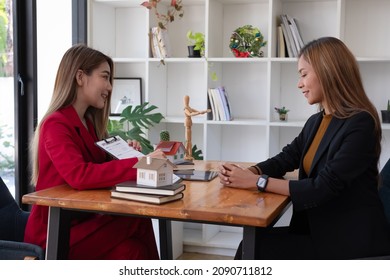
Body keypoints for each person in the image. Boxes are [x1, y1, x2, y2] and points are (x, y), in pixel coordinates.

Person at [219, 37, 390, 259]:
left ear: (328, 71)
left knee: (253, 250)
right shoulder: (317, 121)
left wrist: (257, 182)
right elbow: (286, 158)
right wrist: (250, 172)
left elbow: (323, 187)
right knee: (251, 246)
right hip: (321, 229)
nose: (299, 84)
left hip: (348, 238)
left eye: (303, 74)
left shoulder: (361, 122)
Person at [25, 44, 166, 260]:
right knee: (137, 218)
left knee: (131, 251)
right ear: (80, 77)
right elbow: (79, 175)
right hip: (56, 233)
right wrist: (140, 164)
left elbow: (97, 167)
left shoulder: (89, 124)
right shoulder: (55, 124)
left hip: (85, 224)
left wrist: (122, 153)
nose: (109, 87)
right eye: (105, 77)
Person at [183, 95, 210, 160]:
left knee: (190, 141)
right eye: (186, 99)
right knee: (187, 141)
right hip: (187, 123)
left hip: (190, 123)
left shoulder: (189, 108)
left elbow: (196, 111)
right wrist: (198, 113)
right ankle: (186, 155)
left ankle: (190, 154)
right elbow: (190, 114)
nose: (187, 101)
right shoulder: (185, 109)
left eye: (188, 99)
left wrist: (203, 111)